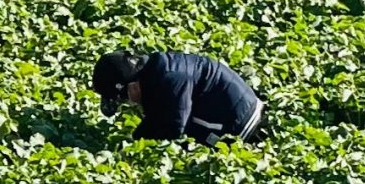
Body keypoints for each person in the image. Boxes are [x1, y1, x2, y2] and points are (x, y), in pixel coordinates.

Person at [94, 49, 265, 143]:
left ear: (131, 84)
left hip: (240, 121)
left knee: (181, 141)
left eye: (124, 97)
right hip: (240, 106)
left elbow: (173, 126)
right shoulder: (157, 69)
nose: (129, 102)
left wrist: (134, 145)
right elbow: (157, 117)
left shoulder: (170, 78)